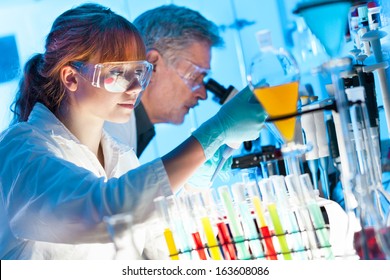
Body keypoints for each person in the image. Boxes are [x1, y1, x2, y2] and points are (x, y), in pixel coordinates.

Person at [0, 3, 266, 259]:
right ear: (71, 78)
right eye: (118, 73)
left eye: (140, 72)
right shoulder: (20, 150)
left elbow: (155, 248)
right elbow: (108, 212)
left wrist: (191, 187)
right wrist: (212, 134)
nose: (136, 87)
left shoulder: (122, 158)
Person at [105, 4, 223, 158]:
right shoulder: (109, 127)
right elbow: (122, 183)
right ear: (152, 65)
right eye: (194, 76)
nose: (203, 94)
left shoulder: (136, 129)